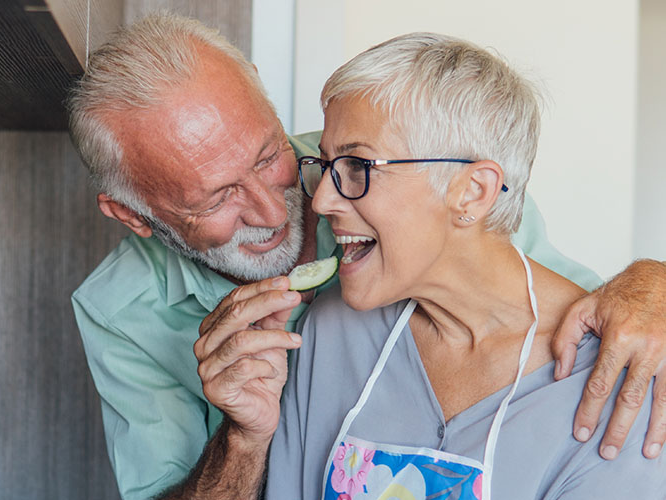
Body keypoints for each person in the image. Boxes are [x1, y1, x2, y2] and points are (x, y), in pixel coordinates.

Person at [67, 13, 666, 500]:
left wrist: (653, 281)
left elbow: (573, 304)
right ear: (134, 217)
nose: (292, 207)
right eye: (218, 196)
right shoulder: (123, 313)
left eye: (267, 155)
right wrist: (242, 441)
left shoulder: (442, 184)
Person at [258, 32, 666, 499]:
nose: (324, 200)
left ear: (473, 190)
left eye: (357, 166)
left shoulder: (617, 380)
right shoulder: (333, 332)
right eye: (326, 165)